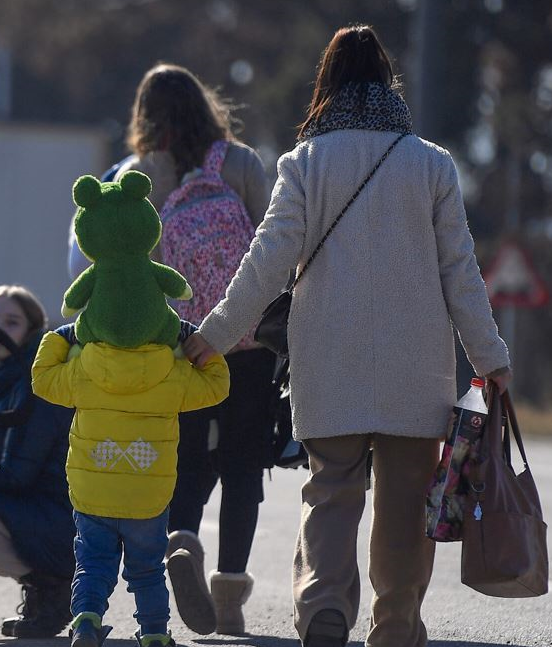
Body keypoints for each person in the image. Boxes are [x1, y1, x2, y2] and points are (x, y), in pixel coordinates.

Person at [184, 25, 513, 647]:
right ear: (389, 83)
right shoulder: (432, 164)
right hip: (418, 368)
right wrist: (490, 358)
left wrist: (216, 334)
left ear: (326, 85)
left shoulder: (304, 164)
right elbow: (460, 274)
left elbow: (268, 261)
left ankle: (324, 610)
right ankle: (394, 625)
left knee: (331, 488)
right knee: (408, 499)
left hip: (327, 359)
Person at [70, 63, 276, 636]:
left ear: (145, 116)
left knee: (181, 456)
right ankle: (231, 590)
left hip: (176, 344)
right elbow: (273, 243)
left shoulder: (138, 175)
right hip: (247, 340)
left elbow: (111, 263)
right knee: (242, 466)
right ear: (205, 106)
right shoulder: (239, 163)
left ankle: (182, 538)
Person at [31, 307, 230, 647]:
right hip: (147, 495)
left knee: (92, 564)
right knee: (147, 570)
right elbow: (217, 385)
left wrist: (61, 336)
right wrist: (189, 335)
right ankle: (153, 632)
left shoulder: (82, 369)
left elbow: (42, 377)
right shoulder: (172, 371)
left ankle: (86, 621)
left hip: (93, 492)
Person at [0, 285, 75, 639]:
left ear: (31, 332)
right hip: (39, 507)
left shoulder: (35, 380)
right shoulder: (2, 377)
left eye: (11, 322)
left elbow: (17, 476)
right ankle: (43, 591)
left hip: (64, 520)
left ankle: (54, 586)